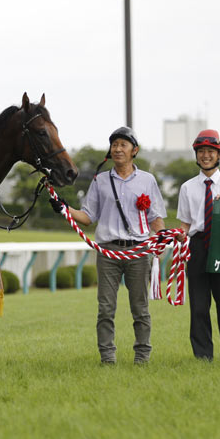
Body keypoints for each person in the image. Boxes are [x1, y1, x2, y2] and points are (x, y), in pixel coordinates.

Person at [50, 126, 166, 364]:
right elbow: (87, 216)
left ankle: (142, 357)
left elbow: (155, 217)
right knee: (105, 309)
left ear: (135, 150)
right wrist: (64, 208)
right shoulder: (100, 181)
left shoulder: (147, 180)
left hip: (139, 251)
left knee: (140, 309)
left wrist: (162, 237)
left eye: (123, 145)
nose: (117, 149)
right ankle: (107, 358)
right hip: (108, 252)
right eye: (114, 145)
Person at [176, 129, 220, 361]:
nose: (206, 156)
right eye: (201, 151)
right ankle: (203, 356)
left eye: (210, 151)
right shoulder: (187, 187)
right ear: (196, 155)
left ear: (219, 154)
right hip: (197, 247)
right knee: (198, 305)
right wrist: (179, 235)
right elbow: (185, 223)